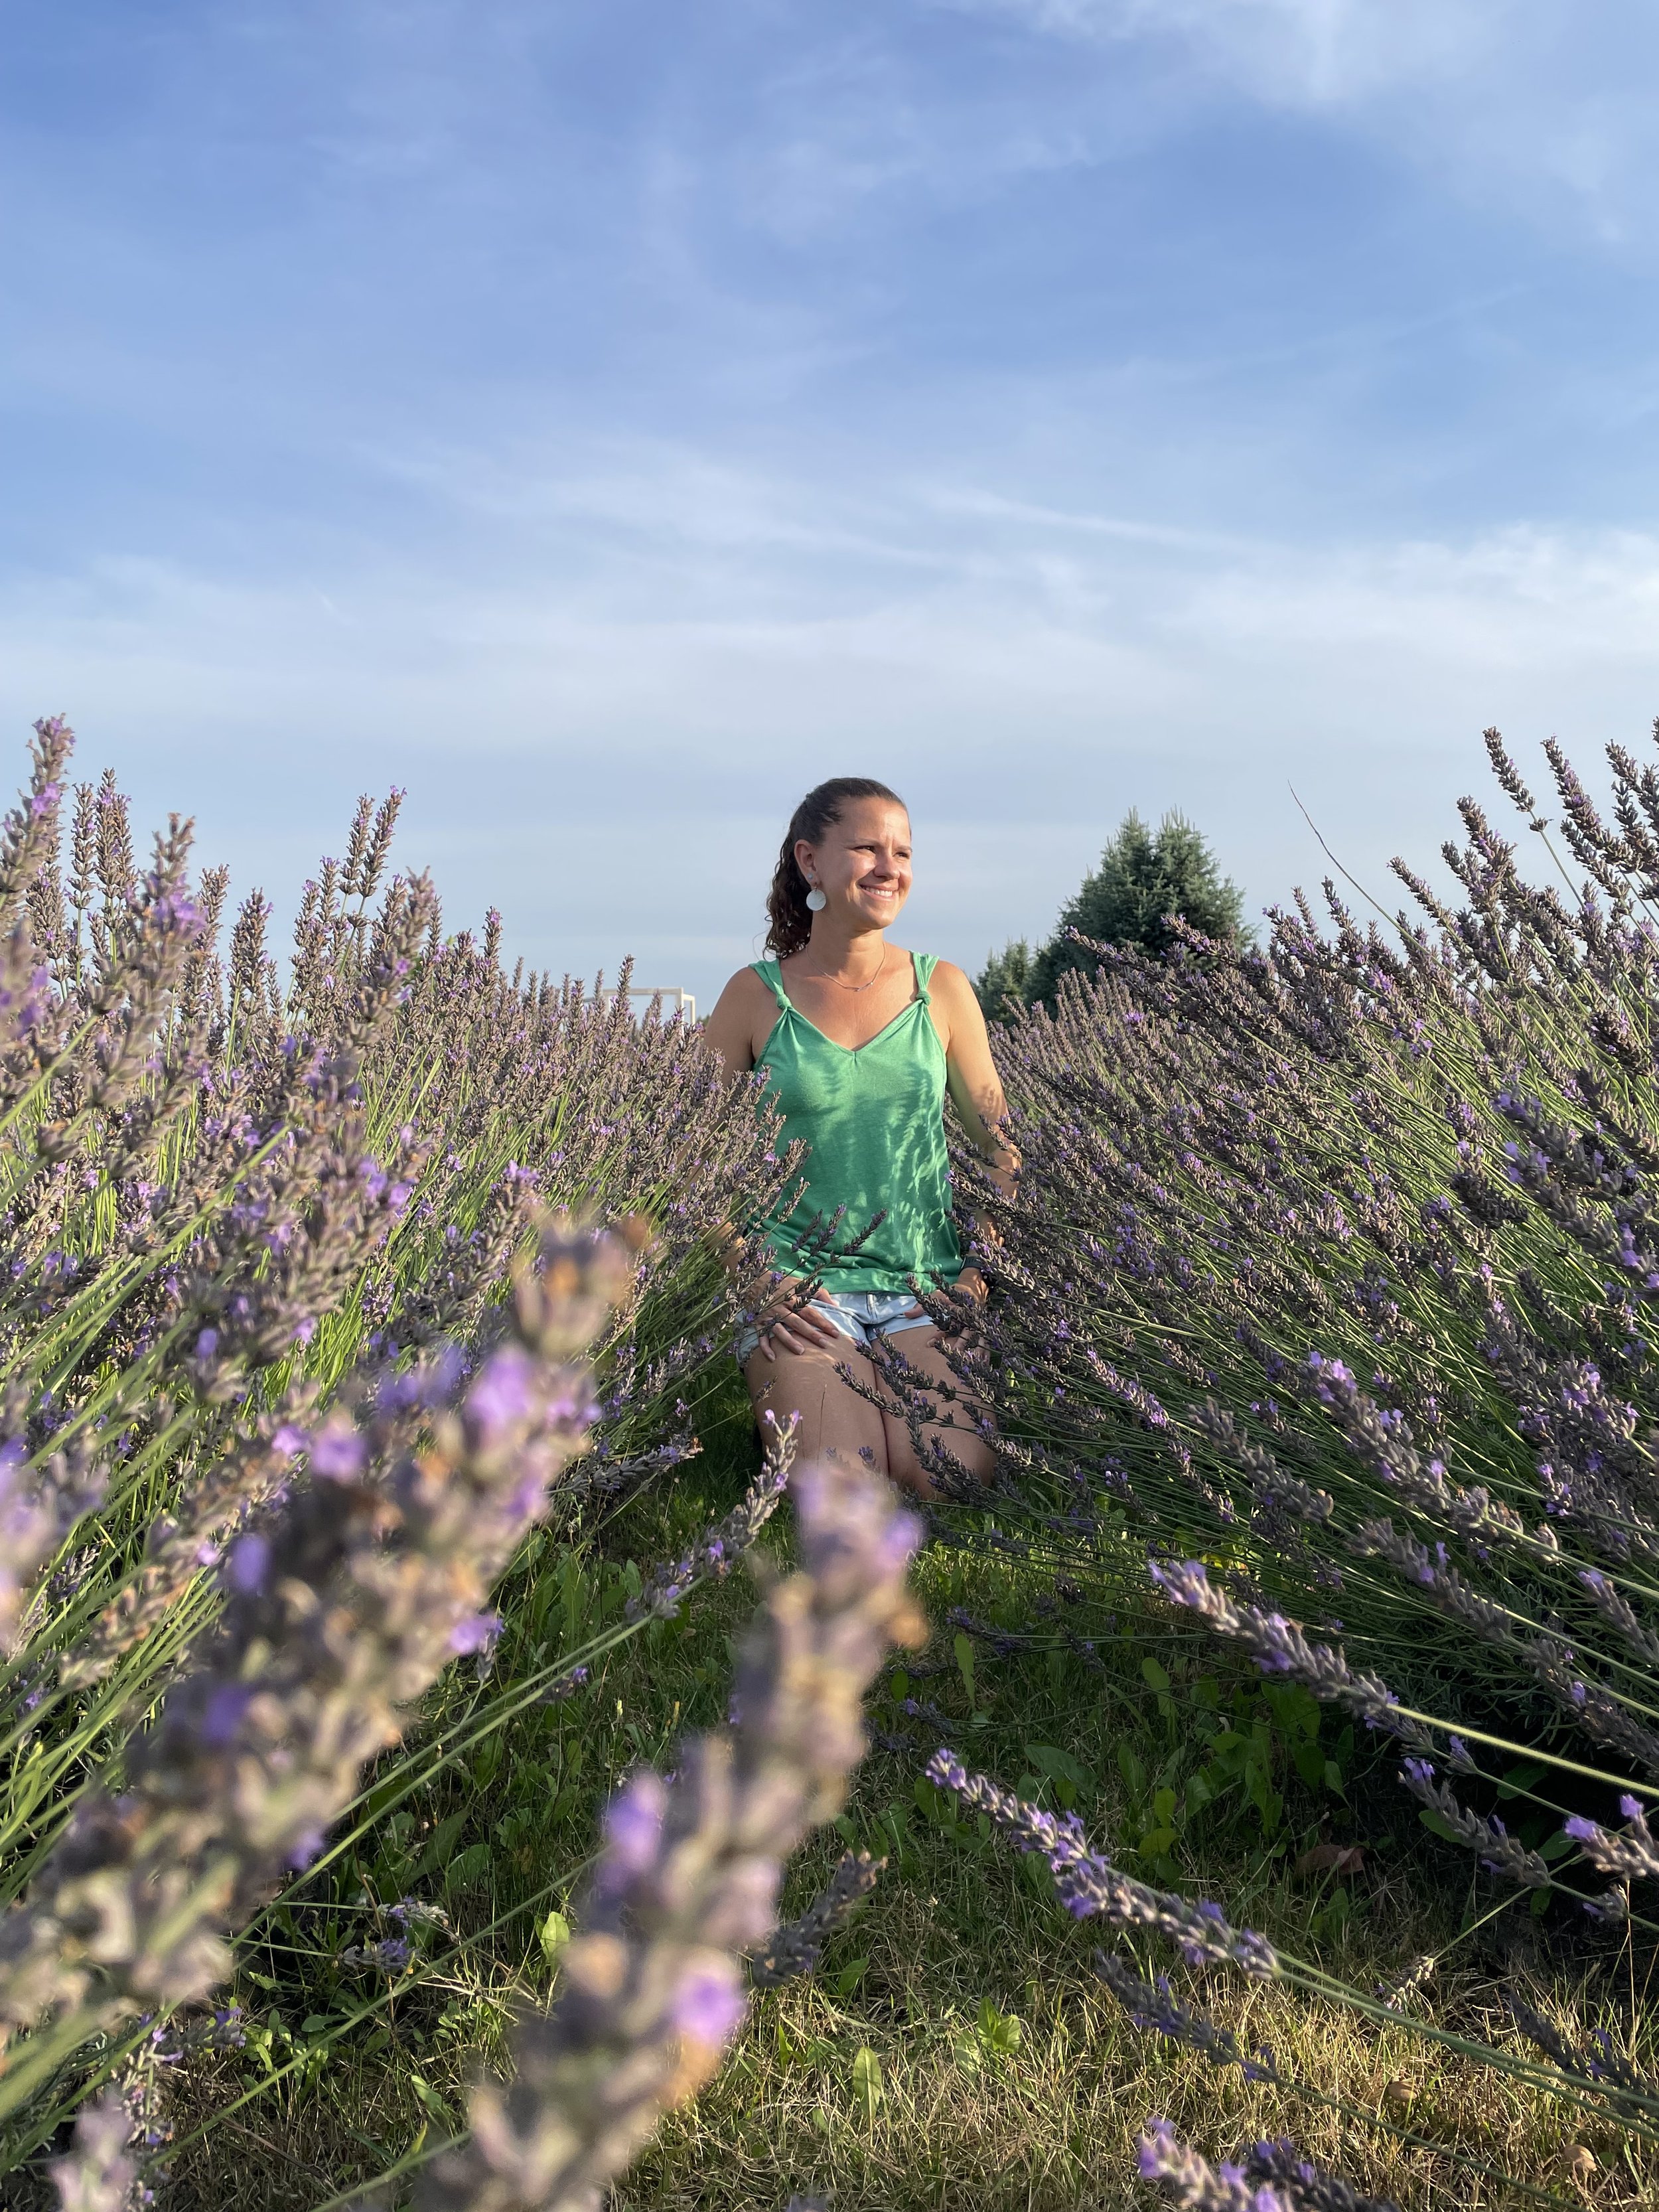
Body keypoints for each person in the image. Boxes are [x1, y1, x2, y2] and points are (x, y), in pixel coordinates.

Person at [703, 776, 1016, 1496]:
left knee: (950, 1480)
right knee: (850, 1490)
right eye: (868, 848)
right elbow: (685, 1161)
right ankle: (810, 1408)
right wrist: (750, 1275)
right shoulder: (755, 996)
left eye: (902, 852)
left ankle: (860, 1400)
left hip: (923, 1288)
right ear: (811, 862)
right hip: (798, 1294)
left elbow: (999, 1148)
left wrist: (978, 1273)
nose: (890, 867)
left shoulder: (941, 989)